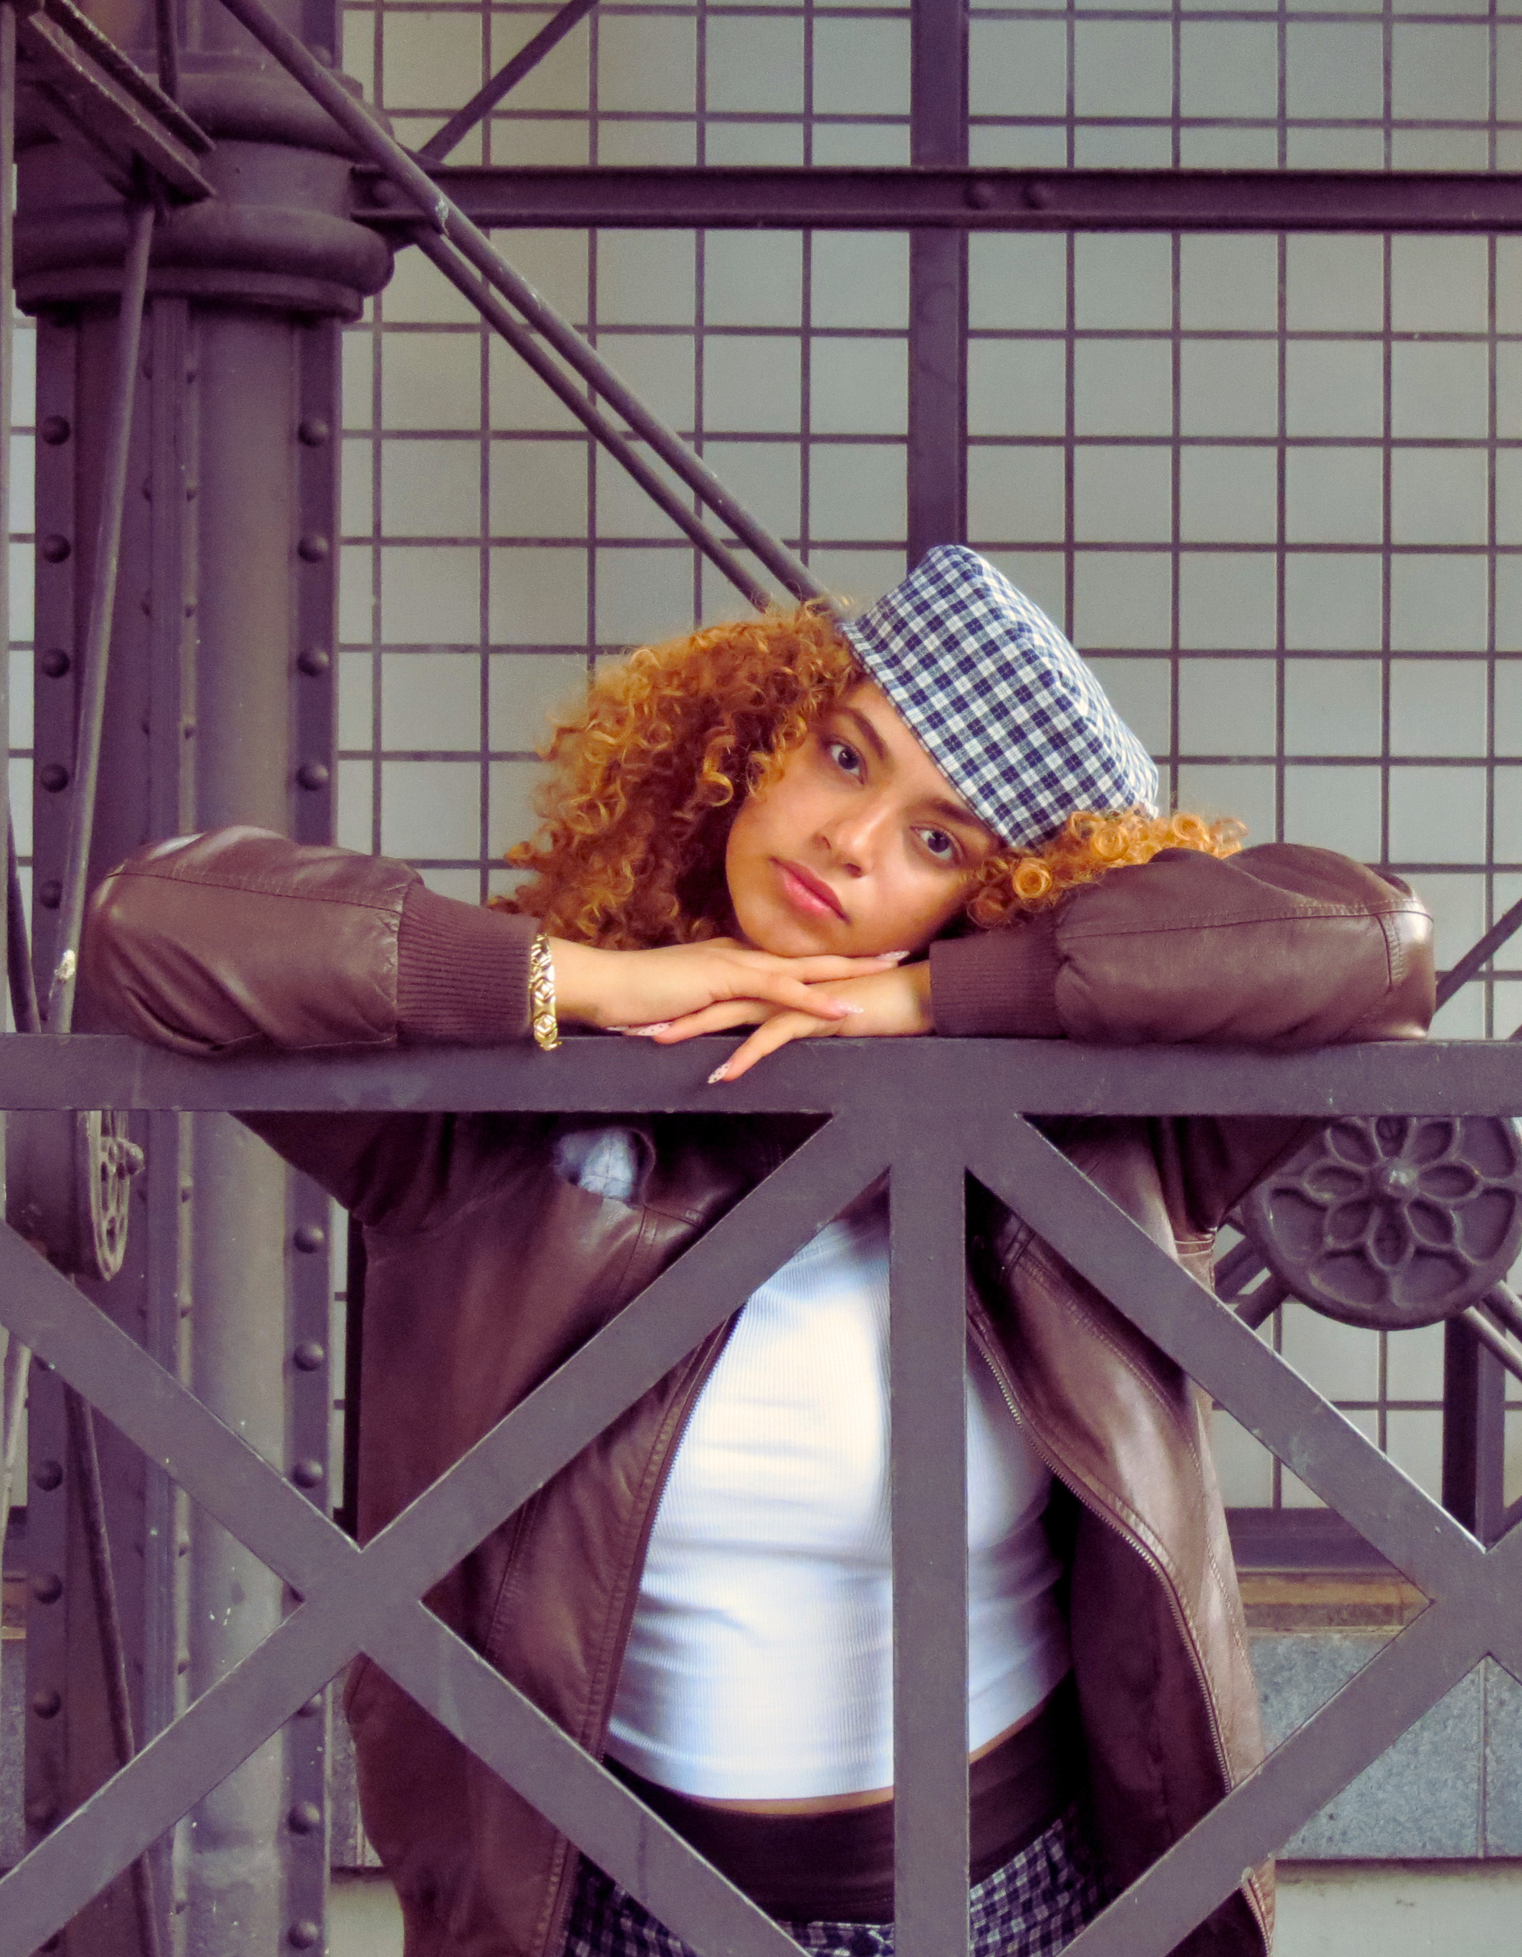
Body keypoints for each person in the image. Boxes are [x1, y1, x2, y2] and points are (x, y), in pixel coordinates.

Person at [85, 548, 1435, 1957]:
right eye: (846, 757)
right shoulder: (498, 1132)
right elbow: (147, 933)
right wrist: (579, 981)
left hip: (1014, 1910)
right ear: (749, 740)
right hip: (599, 1906)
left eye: (941, 841)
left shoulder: (1087, 1148)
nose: (852, 843)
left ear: (996, 899)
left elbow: (1371, 946)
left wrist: (944, 1004)